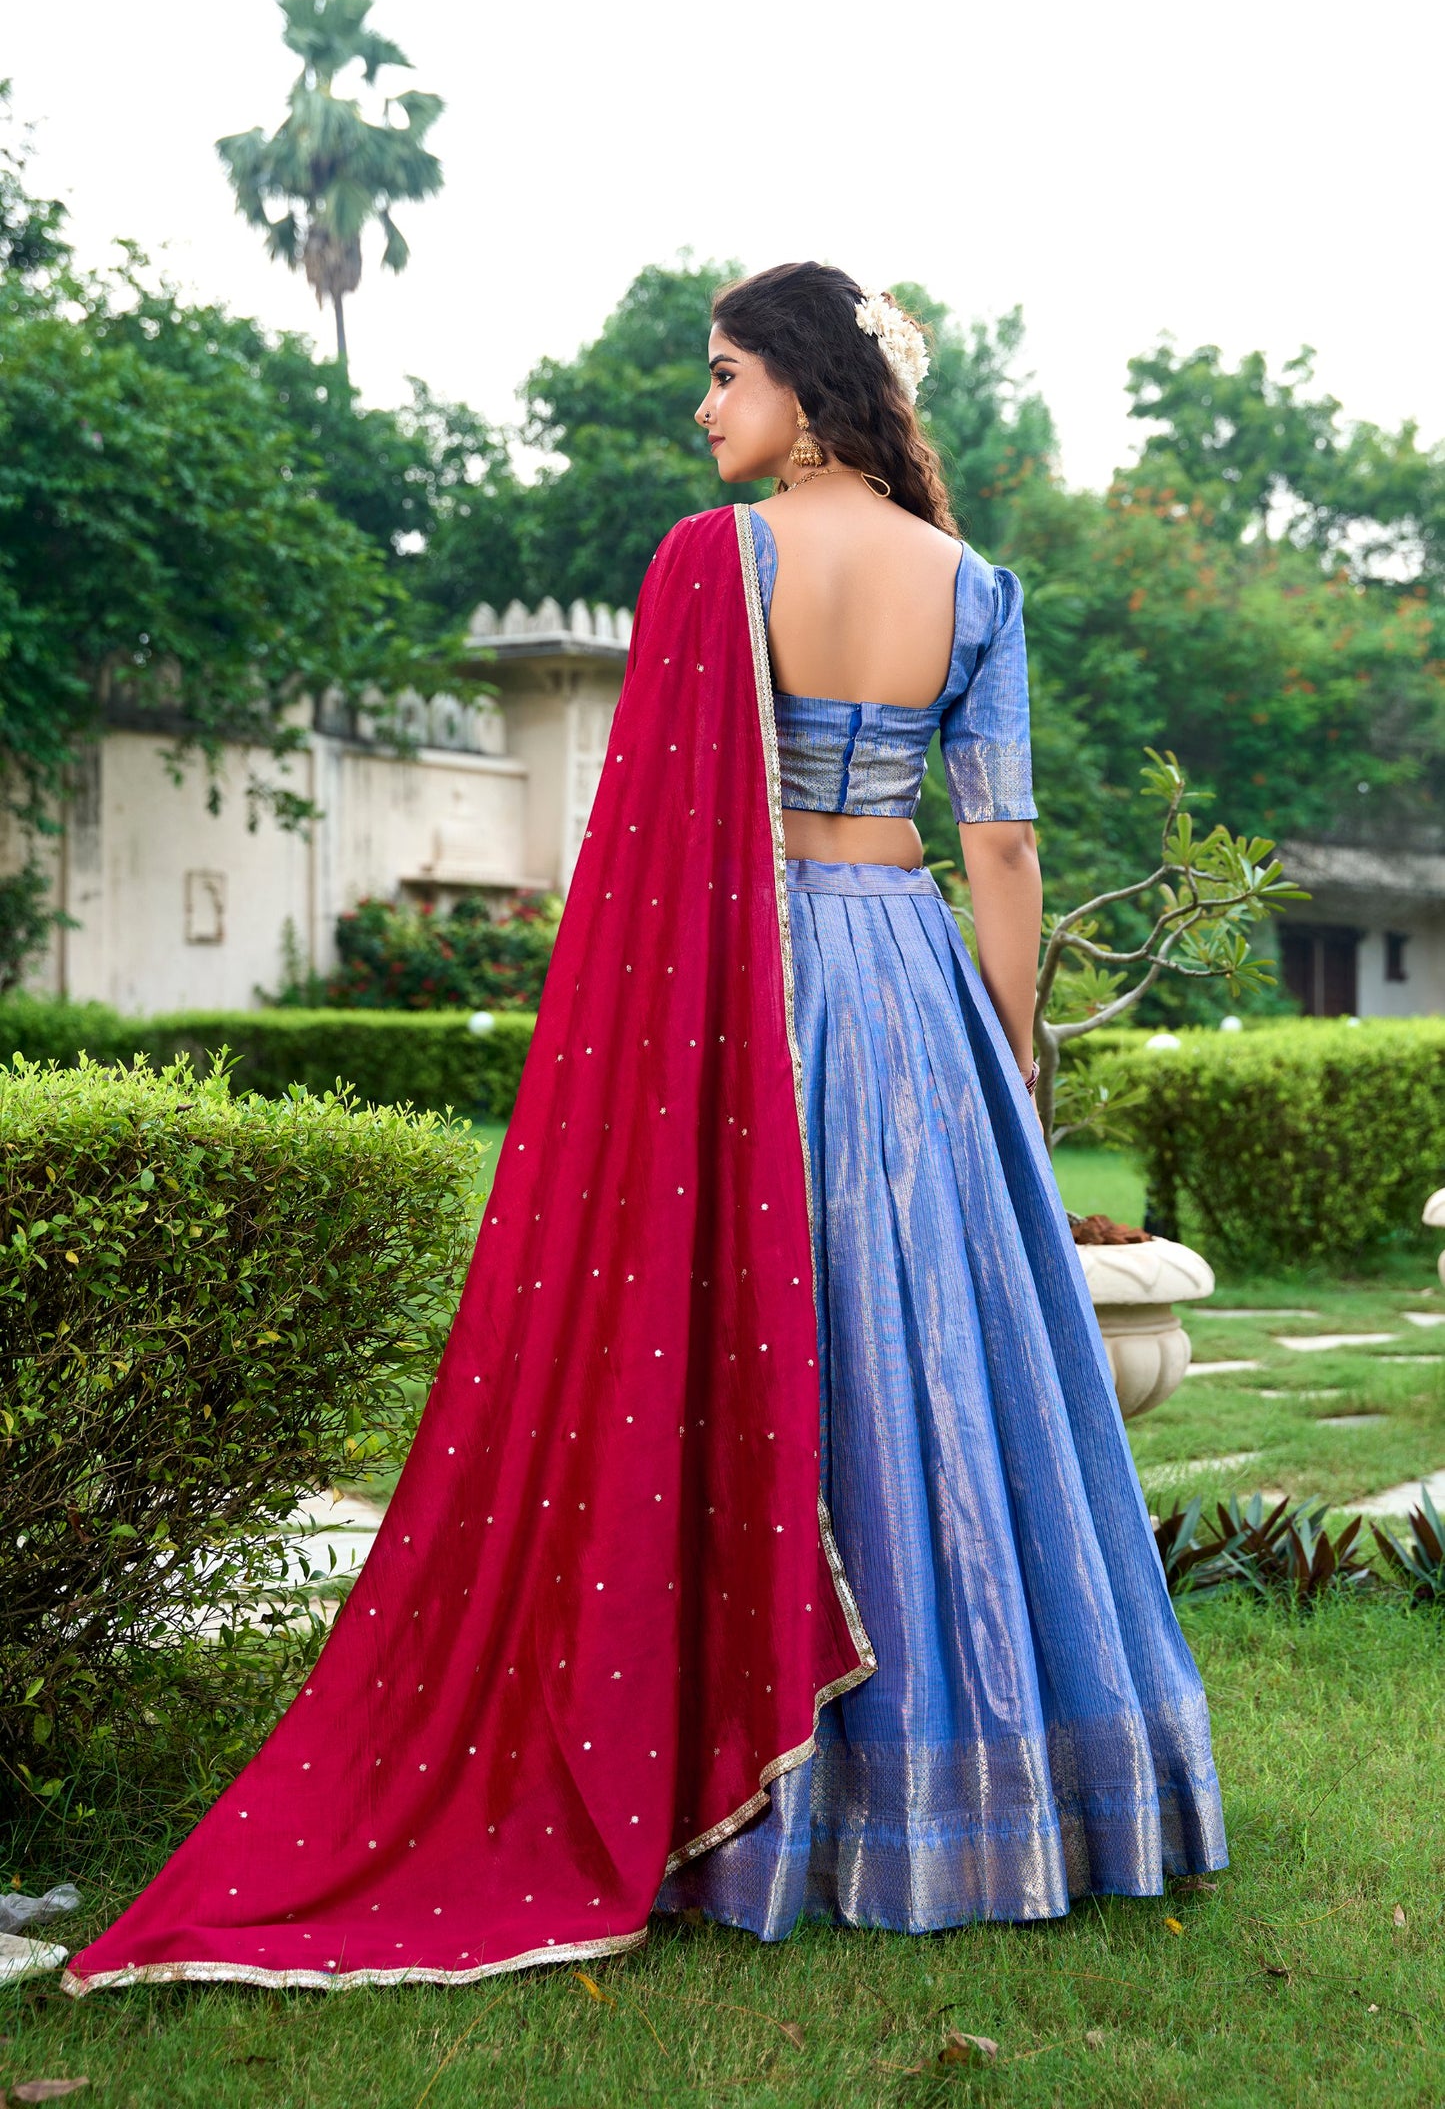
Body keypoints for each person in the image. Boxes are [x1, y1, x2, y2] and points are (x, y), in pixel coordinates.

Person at [65, 264, 1224, 1998]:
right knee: (935, 1358)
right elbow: (1000, 846)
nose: (705, 406)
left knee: (762, 1337)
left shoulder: (716, 562)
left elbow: (656, 841)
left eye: (727, 372)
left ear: (805, 388)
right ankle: (999, 1793)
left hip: (762, 986)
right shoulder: (971, 585)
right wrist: (1007, 1059)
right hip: (914, 986)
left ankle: (769, 1812)